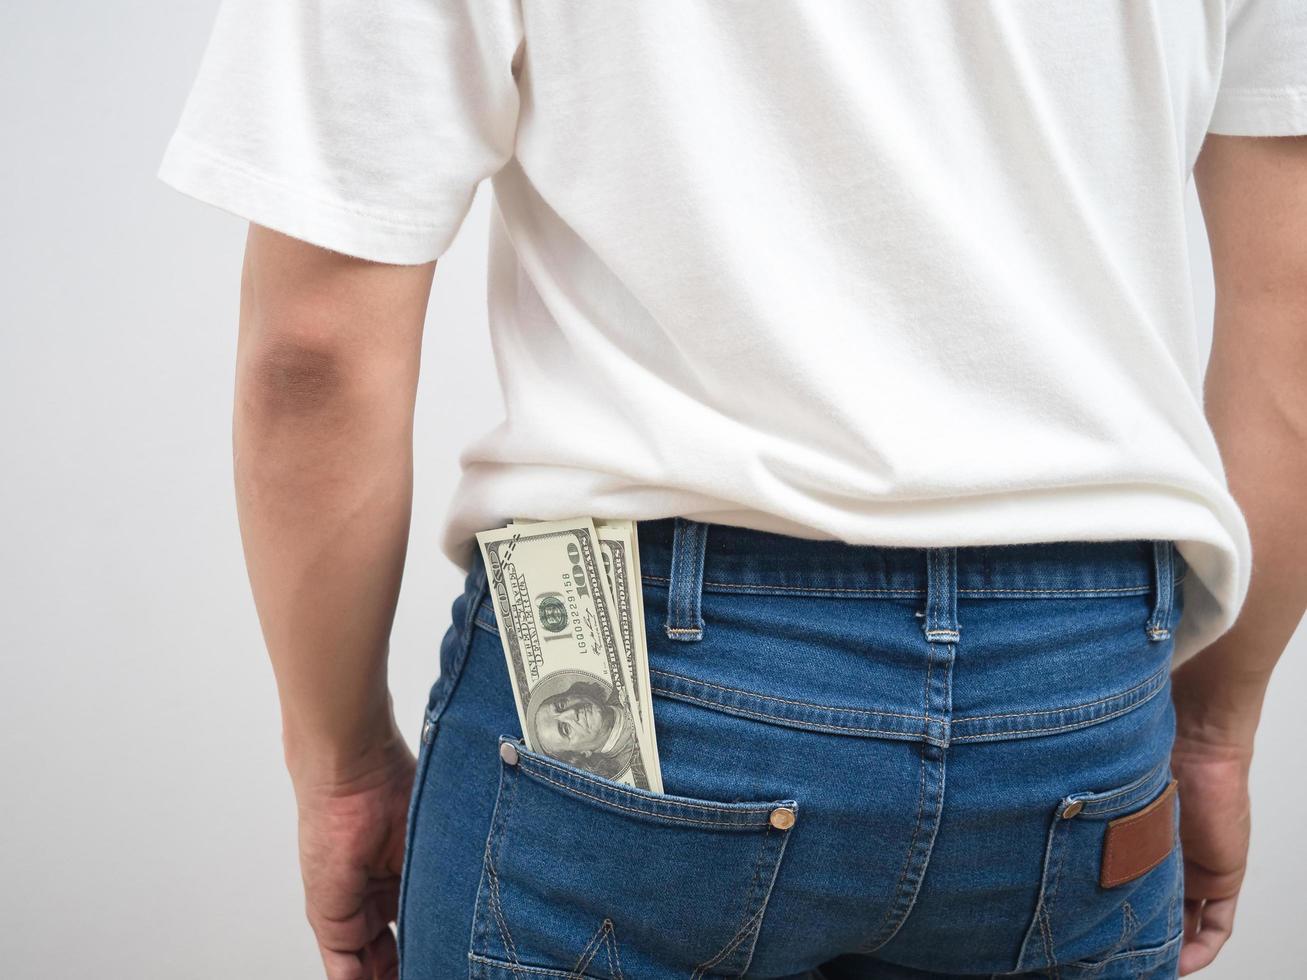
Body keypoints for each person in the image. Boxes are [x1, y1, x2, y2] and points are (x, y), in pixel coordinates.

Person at [157, 2, 1307, 978]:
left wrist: (342, 759)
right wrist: (1209, 728)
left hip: (634, 677)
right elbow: (1289, 332)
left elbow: (313, 351)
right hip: (1076, 702)